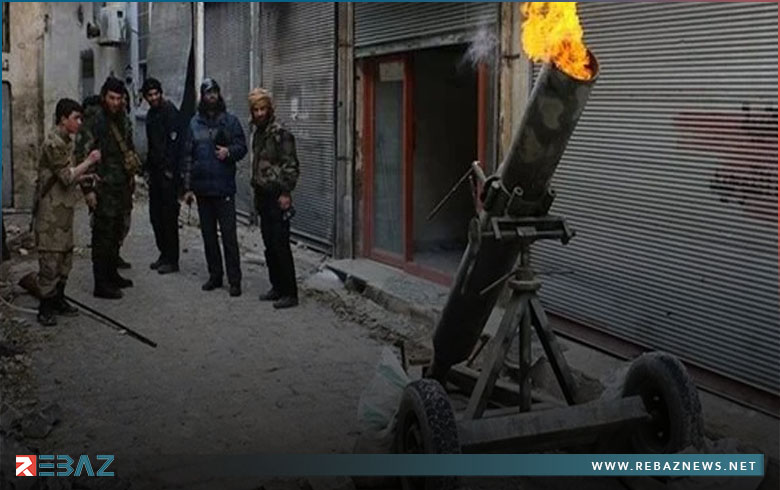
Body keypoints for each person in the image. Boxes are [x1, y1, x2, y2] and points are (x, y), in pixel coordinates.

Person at [34, 98, 101, 325]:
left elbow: (69, 175)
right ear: (63, 119)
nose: (80, 122)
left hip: (64, 210)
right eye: (76, 118)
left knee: (65, 257)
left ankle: (58, 299)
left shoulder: (66, 141)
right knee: (50, 259)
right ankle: (45, 307)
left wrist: (86, 176)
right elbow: (65, 176)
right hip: (51, 212)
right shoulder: (53, 143)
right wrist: (89, 161)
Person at [181, 78, 247, 297]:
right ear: (202, 96)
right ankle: (215, 276)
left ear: (219, 95)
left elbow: (242, 147)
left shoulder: (230, 122)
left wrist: (229, 152)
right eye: (208, 93)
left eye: (215, 92)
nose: (212, 96)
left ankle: (234, 281)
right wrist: (188, 188)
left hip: (224, 189)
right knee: (209, 237)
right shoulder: (194, 123)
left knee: (229, 237)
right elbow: (188, 157)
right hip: (203, 191)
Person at [76, 77, 140, 299]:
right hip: (101, 187)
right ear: (104, 97)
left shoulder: (122, 118)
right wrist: (88, 191)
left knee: (116, 233)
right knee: (102, 235)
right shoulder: (94, 120)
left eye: (119, 98)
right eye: (111, 98)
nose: (115, 102)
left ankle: (112, 274)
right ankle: (101, 283)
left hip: (121, 186)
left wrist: (131, 176)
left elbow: (128, 147)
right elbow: (82, 154)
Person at [248, 88, 300, 309]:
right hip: (263, 195)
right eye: (256, 109)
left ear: (269, 109)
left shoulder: (280, 133)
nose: (260, 113)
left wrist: (286, 193)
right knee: (269, 245)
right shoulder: (259, 133)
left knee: (280, 245)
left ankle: (290, 293)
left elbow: (291, 165)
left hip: (277, 196)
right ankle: (277, 286)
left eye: (263, 109)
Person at [142, 77, 182, 274]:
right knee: (155, 217)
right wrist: (148, 169)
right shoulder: (151, 115)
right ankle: (164, 254)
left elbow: (175, 145)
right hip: (155, 173)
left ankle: (172, 259)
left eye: (156, 93)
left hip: (168, 175)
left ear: (161, 93)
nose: (153, 97)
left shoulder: (170, 112)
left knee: (168, 218)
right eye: (150, 95)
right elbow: (152, 145)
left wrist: (170, 172)